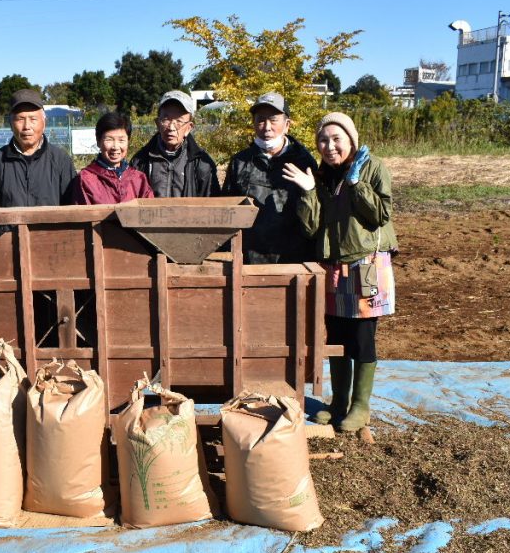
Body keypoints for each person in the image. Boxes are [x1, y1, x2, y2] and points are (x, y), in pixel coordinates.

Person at [283, 111, 398, 433]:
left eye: (337, 139)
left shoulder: (372, 167)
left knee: (362, 337)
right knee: (336, 336)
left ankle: (361, 407)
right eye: (323, 139)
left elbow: (380, 214)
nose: (329, 146)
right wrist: (308, 191)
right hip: (333, 266)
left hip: (366, 263)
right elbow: (311, 228)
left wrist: (357, 183)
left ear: (351, 139)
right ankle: (339, 402)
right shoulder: (322, 175)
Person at [0, 88, 77, 249]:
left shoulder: (60, 160)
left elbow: (73, 207)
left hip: (52, 249)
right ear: (10, 123)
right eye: (20, 119)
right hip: (8, 249)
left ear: (44, 122)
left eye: (33, 119)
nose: (26, 126)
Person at [223, 92, 317, 264]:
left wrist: (309, 189)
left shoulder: (304, 162)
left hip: (293, 261)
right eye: (260, 119)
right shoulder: (240, 162)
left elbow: (315, 219)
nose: (266, 127)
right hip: (249, 260)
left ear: (287, 125)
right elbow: (227, 213)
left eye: (273, 120)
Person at [129, 90, 220, 198]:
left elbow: (212, 207)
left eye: (179, 121)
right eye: (166, 119)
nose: (171, 127)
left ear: (189, 127)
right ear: (158, 123)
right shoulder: (140, 162)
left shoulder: (202, 164)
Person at [72, 112, 154, 204]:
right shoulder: (86, 179)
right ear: (98, 141)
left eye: (121, 140)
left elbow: (148, 213)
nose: (115, 147)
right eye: (109, 140)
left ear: (128, 141)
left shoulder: (138, 179)